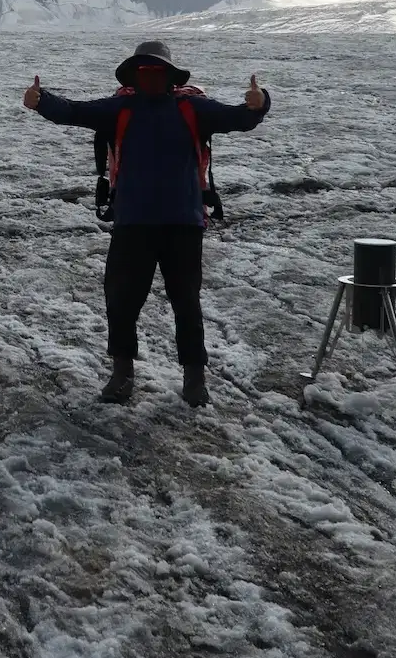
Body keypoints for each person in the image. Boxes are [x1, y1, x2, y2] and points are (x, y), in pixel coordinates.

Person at [22, 40, 271, 408]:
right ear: (135, 77)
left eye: (157, 72)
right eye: (145, 72)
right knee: (122, 300)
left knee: (185, 301)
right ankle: (123, 374)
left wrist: (259, 102)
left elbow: (239, 117)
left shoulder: (193, 109)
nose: (151, 77)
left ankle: (193, 377)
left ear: (170, 76)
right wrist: (41, 101)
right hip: (134, 224)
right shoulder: (121, 108)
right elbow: (74, 111)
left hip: (181, 225)